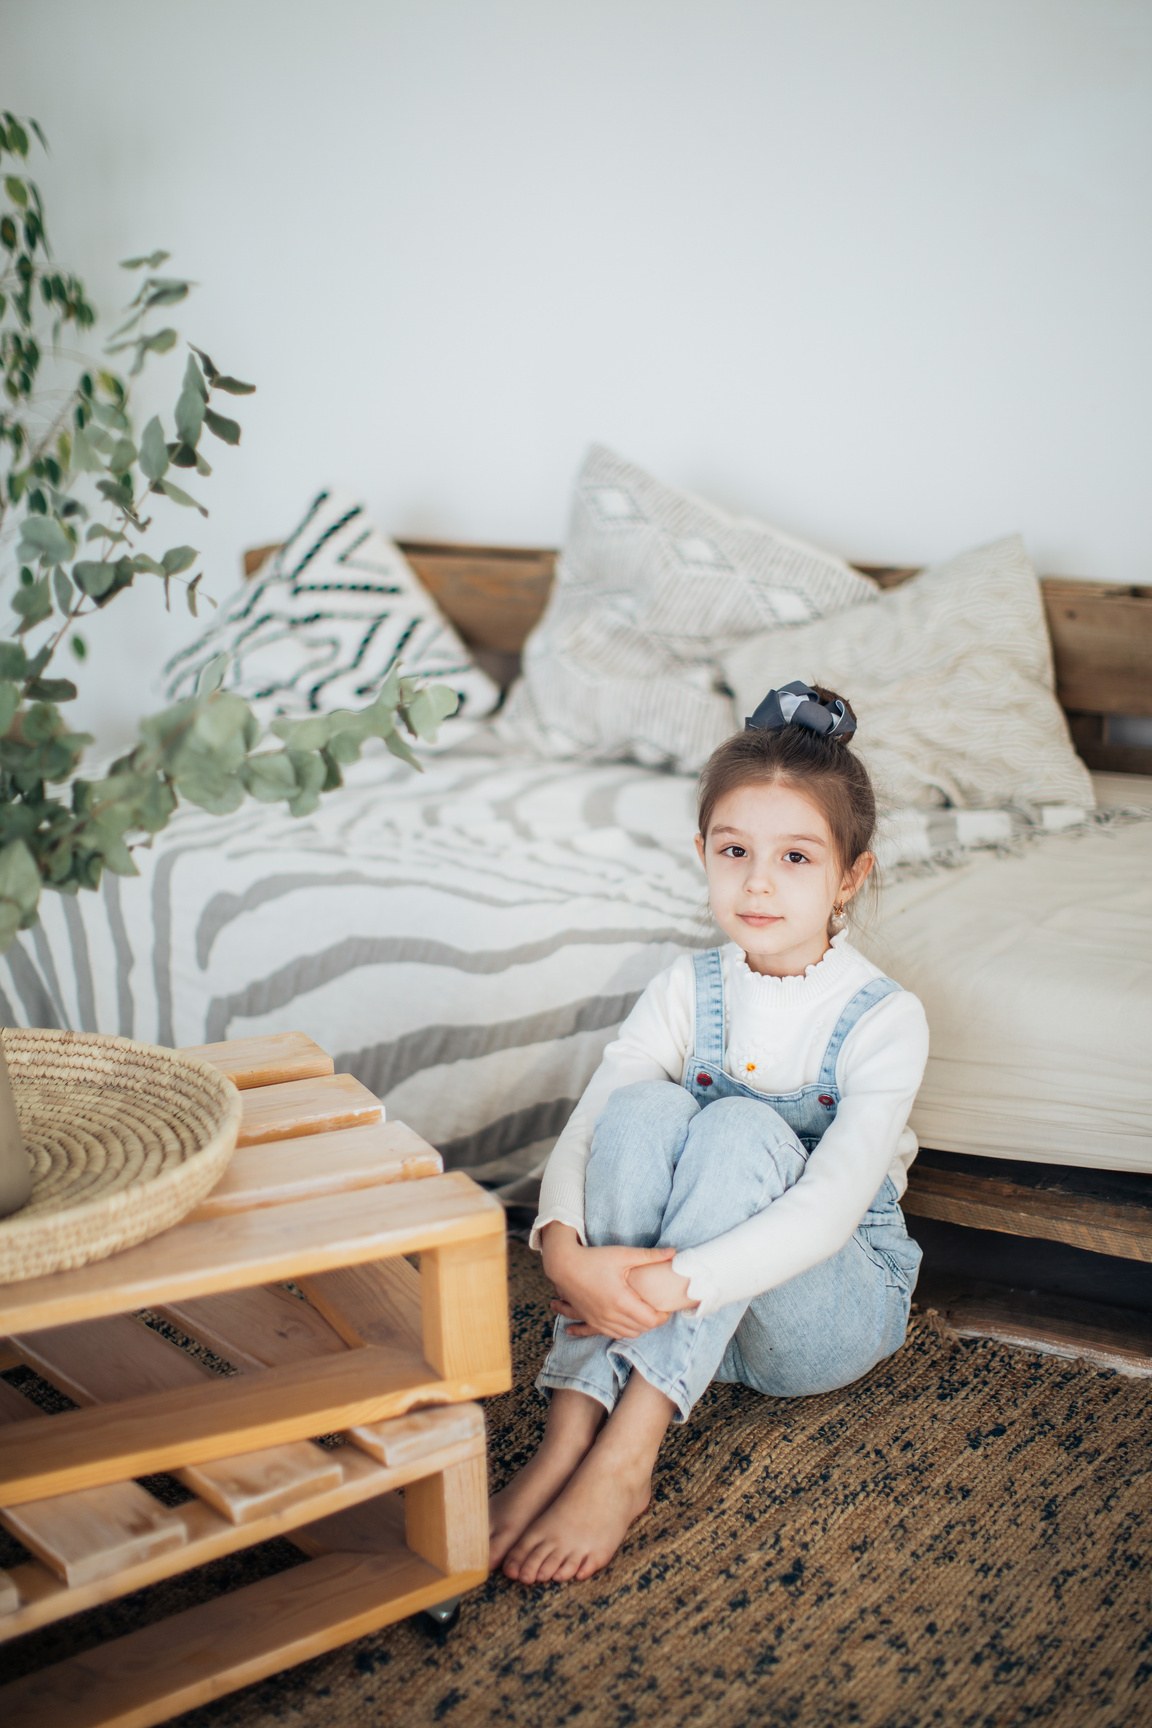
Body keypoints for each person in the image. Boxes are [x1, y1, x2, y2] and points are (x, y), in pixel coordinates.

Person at [488, 681, 930, 1585]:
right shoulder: (687, 987)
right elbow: (590, 1127)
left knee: (736, 1124)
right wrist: (564, 1252)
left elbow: (828, 1212)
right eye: (735, 851)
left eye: (797, 858)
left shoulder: (885, 1018)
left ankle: (627, 1455)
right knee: (642, 1106)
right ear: (703, 853)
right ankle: (568, 1432)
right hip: (683, 1317)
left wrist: (667, 1280)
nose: (758, 882)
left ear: (852, 875)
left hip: (820, 1314)